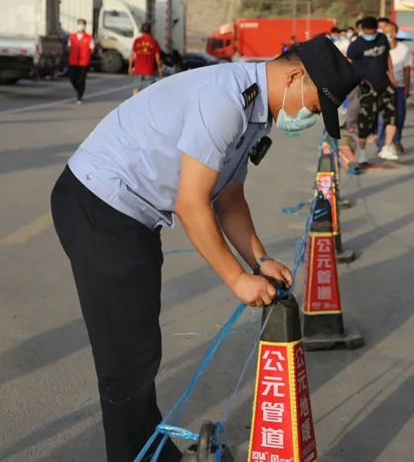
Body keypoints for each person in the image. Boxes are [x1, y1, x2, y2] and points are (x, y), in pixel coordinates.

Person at [50, 36, 358, 462]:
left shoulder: (255, 113)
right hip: (100, 206)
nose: (309, 116)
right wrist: (237, 279)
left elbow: (228, 197)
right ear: (294, 76)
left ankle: (149, 453)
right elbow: (192, 204)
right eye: (316, 105)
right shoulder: (225, 100)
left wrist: (260, 261)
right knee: (127, 357)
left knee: (138, 350)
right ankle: (135, 455)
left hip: (130, 217)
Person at [346, 16, 399, 163]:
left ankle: (387, 147)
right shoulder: (356, 45)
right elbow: (348, 64)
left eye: (373, 32)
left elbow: (387, 57)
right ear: (362, 30)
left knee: (392, 115)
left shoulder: (382, 39)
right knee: (365, 122)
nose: (371, 35)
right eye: (368, 33)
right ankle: (362, 152)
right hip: (367, 87)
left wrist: (392, 76)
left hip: (384, 83)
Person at [376, 21, 413, 154]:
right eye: (385, 32)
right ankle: (382, 144)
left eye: (390, 32)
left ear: (396, 33)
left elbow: (407, 70)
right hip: (383, 87)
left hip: (399, 86)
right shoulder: (379, 48)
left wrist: (407, 87)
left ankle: (396, 140)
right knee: (383, 117)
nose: (388, 35)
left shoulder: (404, 49)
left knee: (399, 116)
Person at [129, 22, 164, 95]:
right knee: (150, 88)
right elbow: (157, 57)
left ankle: (135, 100)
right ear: (150, 30)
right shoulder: (154, 41)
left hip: (138, 69)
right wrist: (159, 68)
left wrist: (130, 68)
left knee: (136, 88)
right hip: (149, 69)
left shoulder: (137, 41)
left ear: (141, 30)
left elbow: (132, 55)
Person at [68, 18, 95, 105]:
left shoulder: (89, 37)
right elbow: (69, 47)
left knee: (81, 79)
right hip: (73, 61)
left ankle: (79, 96)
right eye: (79, 24)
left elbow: (92, 49)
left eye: (82, 24)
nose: (80, 25)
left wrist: (87, 55)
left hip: (84, 62)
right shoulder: (72, 36)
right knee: (72, 78)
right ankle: (79, 90)